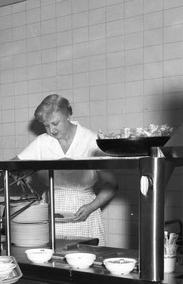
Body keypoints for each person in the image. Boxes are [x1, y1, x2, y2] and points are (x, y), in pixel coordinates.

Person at [16, 94, 118, 245]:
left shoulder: (92, 140)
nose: (52, 130)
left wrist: (91, 207)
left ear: (68, 115)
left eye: (55, 123)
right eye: (46, 125)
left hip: (84, 213)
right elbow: (12, 166)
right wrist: (20, 173)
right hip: (49, 212)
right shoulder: (42, 142)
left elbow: (112, 184)